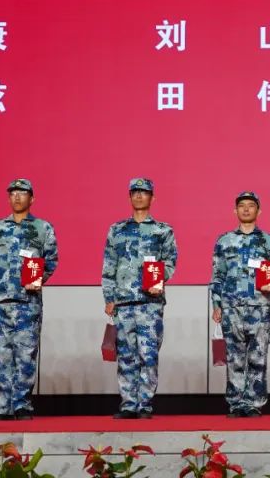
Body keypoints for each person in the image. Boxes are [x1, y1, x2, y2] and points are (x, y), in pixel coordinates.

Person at [0, 178, 58, 420]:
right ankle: (3, 406)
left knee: (26, 354)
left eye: (22, 193)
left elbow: (51, 259)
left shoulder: (43, 228)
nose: (17, 196)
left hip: (28, 301)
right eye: (13, 193)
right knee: (2, 355)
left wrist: (39, 279)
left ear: (31, 198)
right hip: (0, 301)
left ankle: (22, 404)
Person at [102, 178, 177, 419]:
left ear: (152, 198)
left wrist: (159, 279)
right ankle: (128, 403)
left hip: (150, 304)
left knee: (148, 355)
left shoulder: (163, 230)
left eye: (144, 192)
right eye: (134, 192)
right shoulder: (117, 230)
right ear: (129, 197)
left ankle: (144, 404)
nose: (139, 196)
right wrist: (109, 297)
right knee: (126, 355)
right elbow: (109, 266)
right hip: (123, 303)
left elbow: (170, 262)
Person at [210, 191, 270, 418]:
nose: (246, 209)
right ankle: (236, 403)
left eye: (250, 205)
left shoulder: (269, 241)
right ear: (235, 211)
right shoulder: (224, 241)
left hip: (259, 307)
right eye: (241, 205)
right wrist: (216, 304)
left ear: (258, 211)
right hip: (231, 308)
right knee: (234, 357)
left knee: (257, 357)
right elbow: (217, 275)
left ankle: (253, 403)